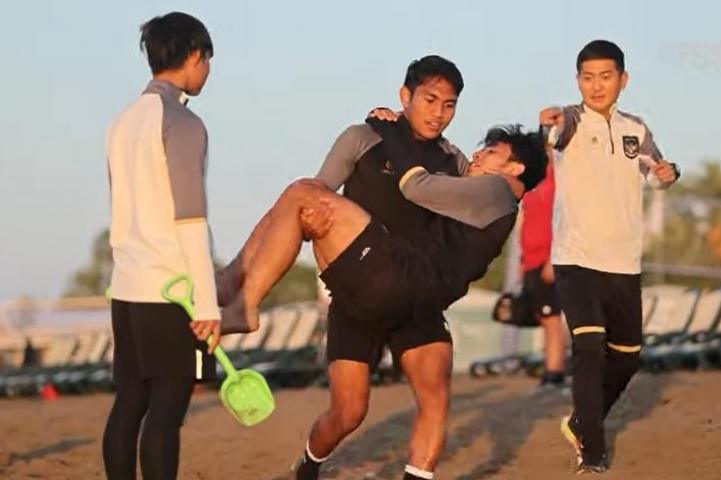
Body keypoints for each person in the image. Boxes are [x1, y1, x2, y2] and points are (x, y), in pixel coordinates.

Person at [216, 115, 547, 479]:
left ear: (515, 166)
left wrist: (394, 127)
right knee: (375, 409)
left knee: (301, 193)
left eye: (491, 151)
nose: (478, 155)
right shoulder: (479, 192)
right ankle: (311, 465)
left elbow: (416, 186)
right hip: (417, 297)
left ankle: (242, 296)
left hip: (402, 281)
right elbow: (442, 157)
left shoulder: (495, 190)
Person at [539, 39, 680, 473]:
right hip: (576, 257)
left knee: (628, 356)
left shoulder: (636, 129)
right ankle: (593, 450)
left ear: (623, 79)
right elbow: (552, 134)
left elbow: (657, 173)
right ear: (577, 80)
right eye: (587, 77)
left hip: (623, 262)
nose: (596, 86)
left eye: (605, 76)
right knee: (588, 344)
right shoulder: (571, 120)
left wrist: (668, 173)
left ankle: (583, 421)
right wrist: (546, 123)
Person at [103, 12, 221, 480]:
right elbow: (190, 218)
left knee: (130, 401)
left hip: (126, 288)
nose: (209, 69)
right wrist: (207, 304)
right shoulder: (183, 122)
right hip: (170, 290)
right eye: (208, 59)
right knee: (168, 409)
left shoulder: (122, 121)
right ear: (193, 56)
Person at [519, 149, 567, 393]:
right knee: (542, 316)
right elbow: (527, 220)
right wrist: (522, 260)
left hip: (549, 259)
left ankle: (555, 374)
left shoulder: (559, 180)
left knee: (552, 319)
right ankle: (551, 369)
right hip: (530, 258)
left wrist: (553, 259)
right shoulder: (533, 180)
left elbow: (563, 219)